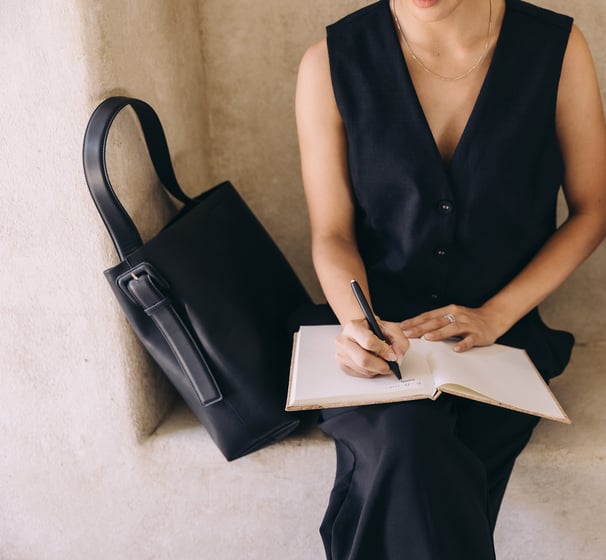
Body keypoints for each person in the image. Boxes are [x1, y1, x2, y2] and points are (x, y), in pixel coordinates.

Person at [295, 0, 606, 558]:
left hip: (501, 344)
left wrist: (496, 315)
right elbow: (332, 234)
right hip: (380, 340)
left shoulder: (557, 50)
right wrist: (357, 323)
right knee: (407, 443)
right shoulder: (329, 63)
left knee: (423, 462)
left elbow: (594, 209)